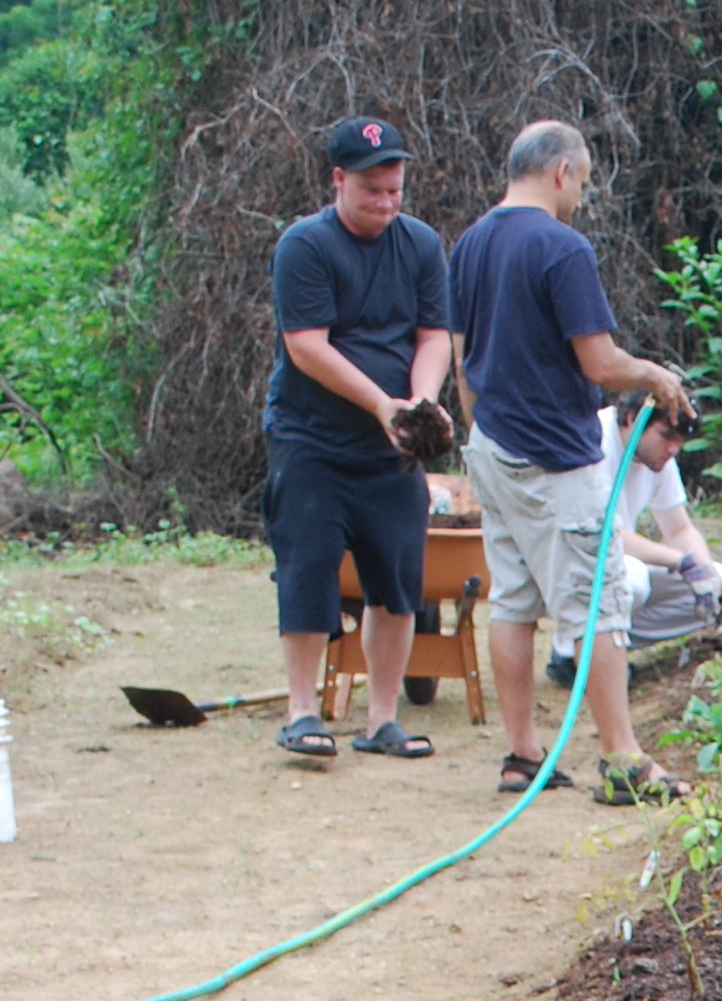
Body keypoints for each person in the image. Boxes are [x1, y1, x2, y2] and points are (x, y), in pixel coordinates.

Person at [448, 121, 695, 804]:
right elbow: (600, 363)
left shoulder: (469, 244)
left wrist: (481, 433)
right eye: (582, 182)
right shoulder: (562, 247)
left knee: (513, 601)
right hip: (556, 456)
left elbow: (462, 359)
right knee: (598, 605)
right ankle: (623, 762)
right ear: (560, 171)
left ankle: (523, 754)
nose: (581, 196)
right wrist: (655, 374)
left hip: (492, 447)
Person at [263, 114, 454, 766]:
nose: (386, 202)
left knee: (397, 581)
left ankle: (382, 719)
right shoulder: (305, 247)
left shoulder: (420, 244)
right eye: (373, 190)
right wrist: (381, 404)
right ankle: (302, 713)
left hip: (390, 448)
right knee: (309, 567)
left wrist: (419, 403)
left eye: (395, 190)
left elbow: (433, 335)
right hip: (311, 438)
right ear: (339, 180)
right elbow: (306, 347)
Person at [547, 400, 722, 683]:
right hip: (570, 564)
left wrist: (705, 572)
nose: (673, 449)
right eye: (666, 436)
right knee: (632, 579)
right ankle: (569, 653)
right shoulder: (592, 440)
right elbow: (603, 534)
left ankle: (609, 649)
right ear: (631, 419)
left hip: (616, 569)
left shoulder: (658, 457)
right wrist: (682, 563)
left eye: (680, 440)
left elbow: (678, 529)